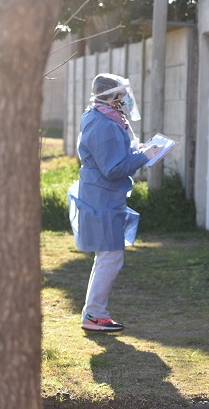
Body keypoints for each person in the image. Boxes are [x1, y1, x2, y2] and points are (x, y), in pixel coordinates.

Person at [67, 73, 161, 332]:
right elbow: (113, 168)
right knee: (110, 257)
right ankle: (94, 316)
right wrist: (144, 157)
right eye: (121, 95)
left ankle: (93, 313)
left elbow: (114, 155)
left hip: (103, 196)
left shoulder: (104, 117)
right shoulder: (103, 124)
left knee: (108, 256)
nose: (126, 99)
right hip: (102, 198)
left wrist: (139, 150)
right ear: (109, 98)